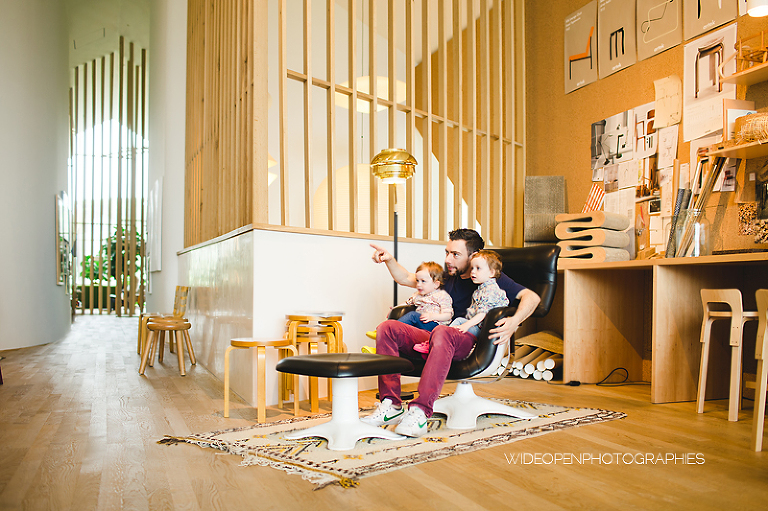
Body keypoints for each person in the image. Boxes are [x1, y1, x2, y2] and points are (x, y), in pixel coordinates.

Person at [361, 229, 541, 438]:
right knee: (388, 327)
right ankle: (391, 405)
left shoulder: (489, 275)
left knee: (442, 331)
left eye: (455, 254)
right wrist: (389, 260)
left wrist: (514, 321)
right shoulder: (448, 277)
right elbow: (407, 278)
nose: (448, 259)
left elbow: (532, 298)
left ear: (473, 256)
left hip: (465, 340)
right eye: (447, 252)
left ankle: (420, 411)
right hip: (437, 337)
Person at [366, 261, 453, 351]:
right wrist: (394, 308)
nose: (419, 284)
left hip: (435, 326)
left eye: (423, 281)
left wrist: (432, 316)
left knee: (413, 315)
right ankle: (379, 349)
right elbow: (407, 303)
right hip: (421, 324)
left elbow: (448, 315)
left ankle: (387, 330)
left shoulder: (442, 296)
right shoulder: (418, 295)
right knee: (404, 326)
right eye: (417, 281)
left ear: (436, 284)